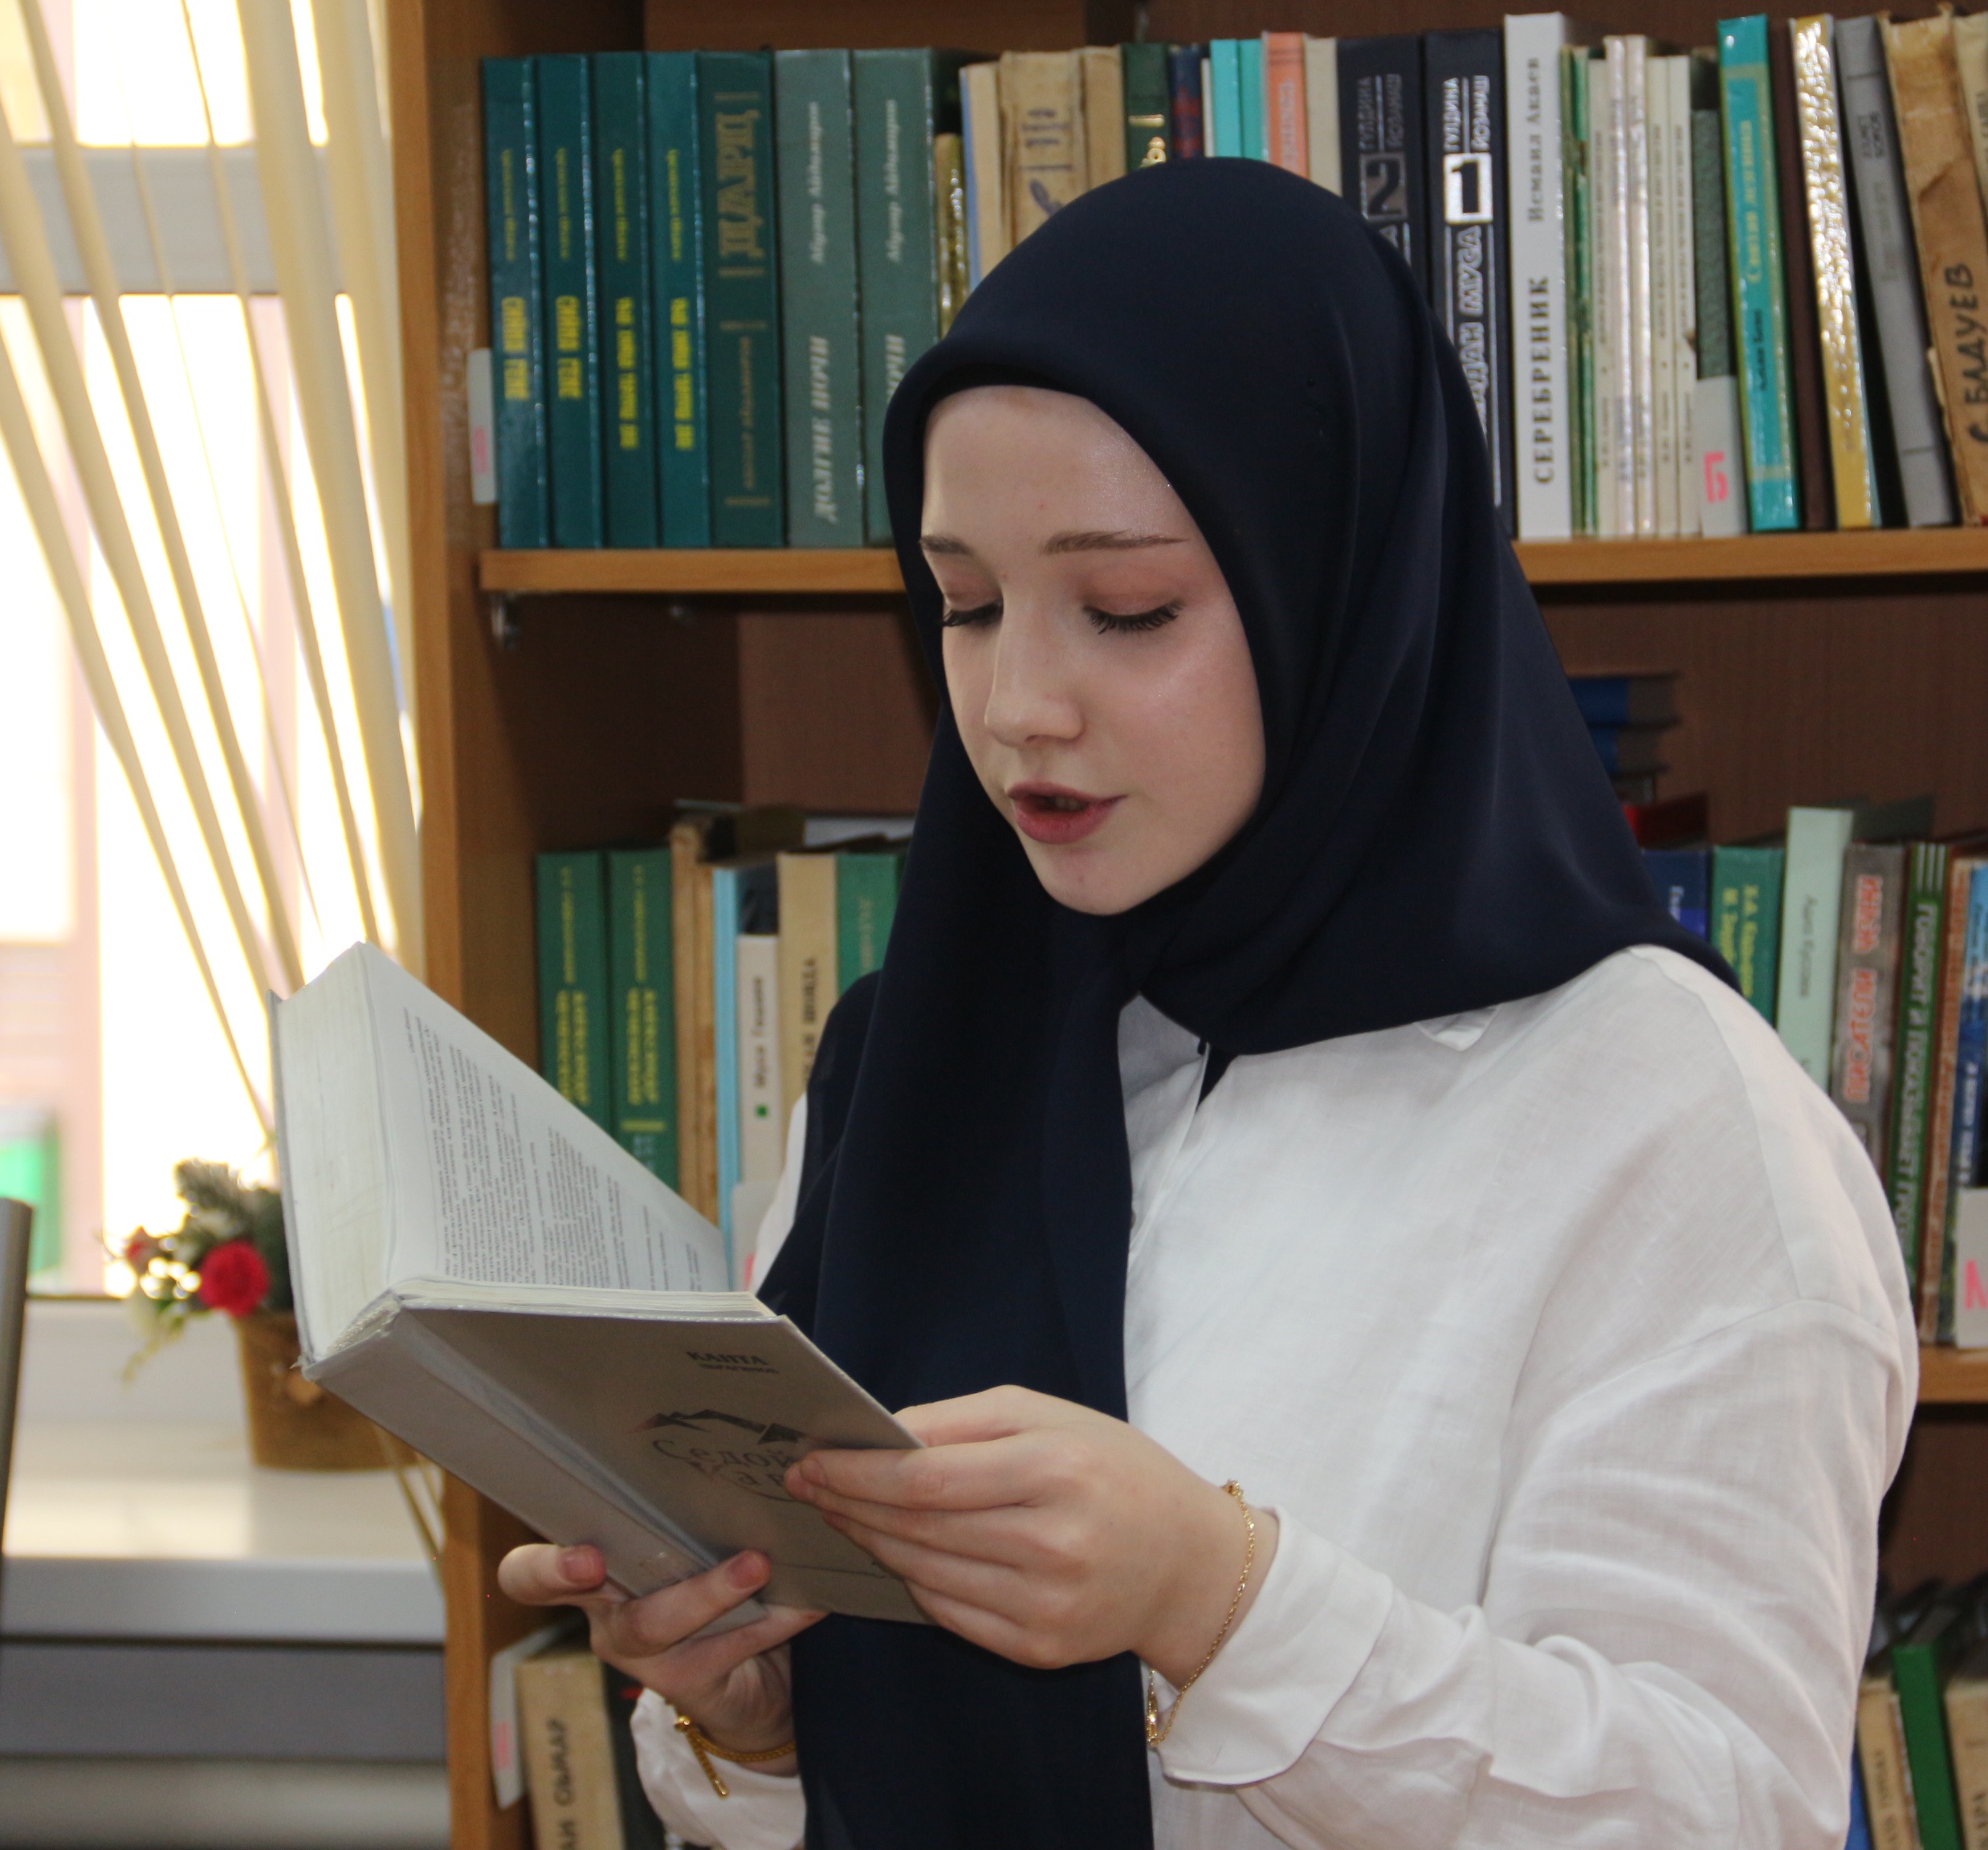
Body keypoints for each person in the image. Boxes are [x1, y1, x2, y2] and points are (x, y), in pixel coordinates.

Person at [498, 157, 1914, 1850]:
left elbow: (1724, 1812)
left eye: (1127, 609)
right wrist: (761, 1722)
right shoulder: (918, 1059)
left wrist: (1220, 1599)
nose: (1017, 705)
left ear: (1339, 587)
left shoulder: (1669, 1120)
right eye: (965, 605)